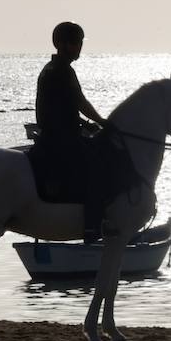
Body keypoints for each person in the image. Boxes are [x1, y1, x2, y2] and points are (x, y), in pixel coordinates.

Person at [34, 21, 106, 242]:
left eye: (80, 43)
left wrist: (85, 124)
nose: (79, 47)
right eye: (75, 43)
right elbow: (80, 102)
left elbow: (66, 107)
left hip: (58, 135)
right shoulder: (62, 71)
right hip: (62, 139)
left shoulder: (53, 69)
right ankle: (92, 228)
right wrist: (103, 121)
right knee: (99, 170)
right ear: (62, 45)